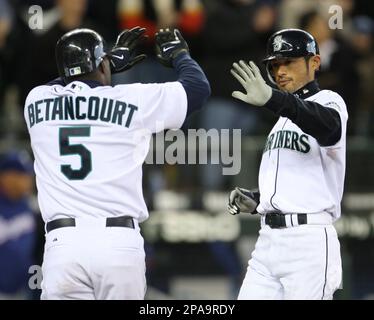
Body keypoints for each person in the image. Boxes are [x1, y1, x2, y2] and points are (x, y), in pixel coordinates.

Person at [23, 26, 210, 300]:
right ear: (100, 63)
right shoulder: (132, 99)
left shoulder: (35, 100)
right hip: (118, 243)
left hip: (63, 246)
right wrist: (181, 55)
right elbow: (197, 88)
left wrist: (102, 64)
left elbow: (64, 83)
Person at [227, 28, 347, 300]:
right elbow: (300, 179)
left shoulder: (329, 101)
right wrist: (259, 200)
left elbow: (329, 128)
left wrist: (273, 99)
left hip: (309, 240)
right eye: (274, 64)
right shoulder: (281, 120)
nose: (279, 71)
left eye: (288, 62)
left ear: (314, 62)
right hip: (268, 241)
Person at [0, 150, 36, 299]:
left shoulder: (28, 204)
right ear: (7, 176)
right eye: (22, 175)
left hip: (23, 290)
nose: (28, 180)